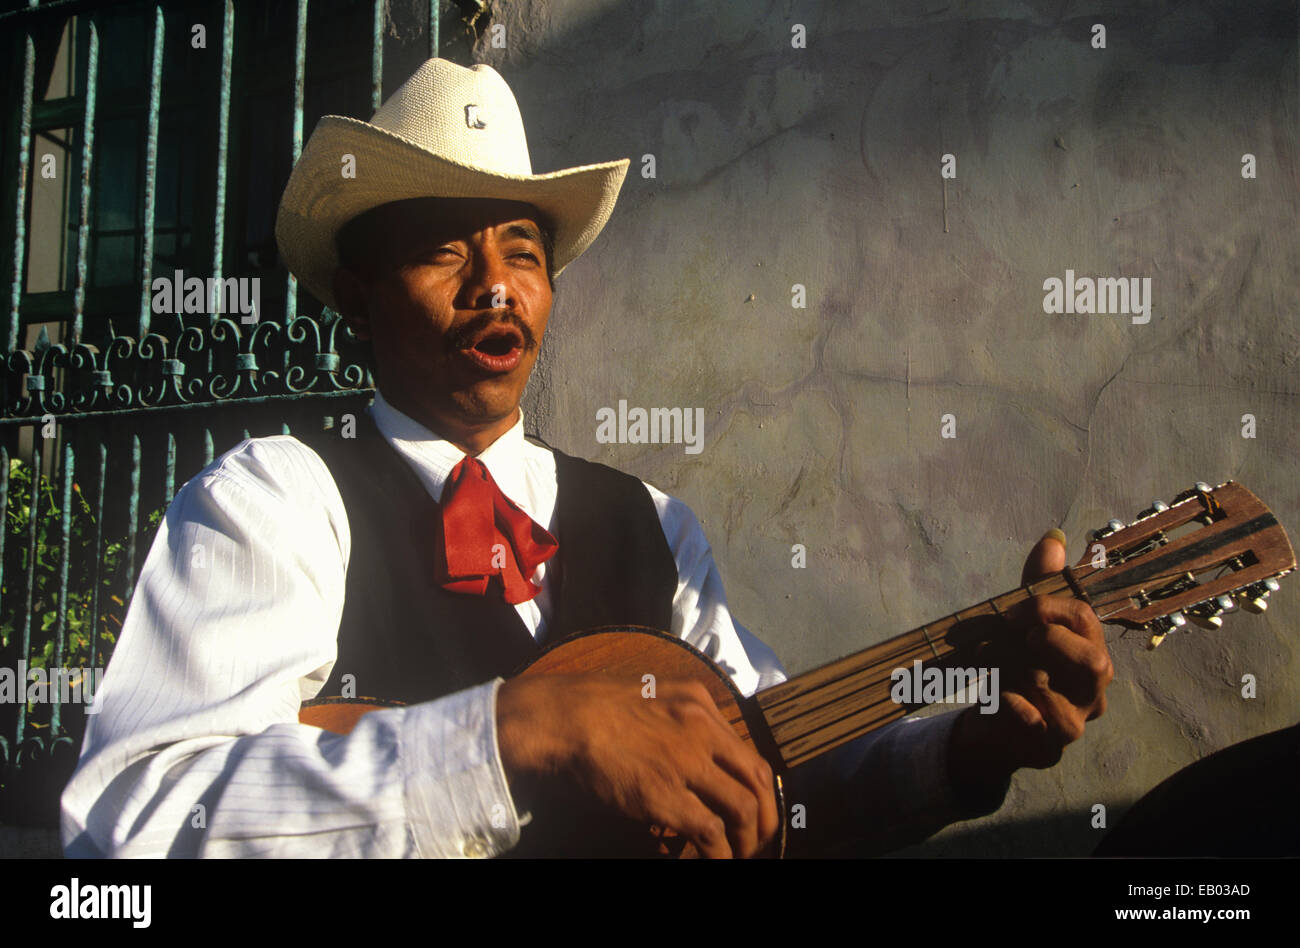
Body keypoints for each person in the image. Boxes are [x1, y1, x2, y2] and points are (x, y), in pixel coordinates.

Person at [60, 58, 1112, 859]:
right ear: (358, 295)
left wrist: (968, 749)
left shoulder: (651, 523)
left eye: (523, 251)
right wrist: (516, 732)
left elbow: (778, 767)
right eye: (444, 249)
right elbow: (135, 813)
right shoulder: (275, 500)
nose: (495, 287)